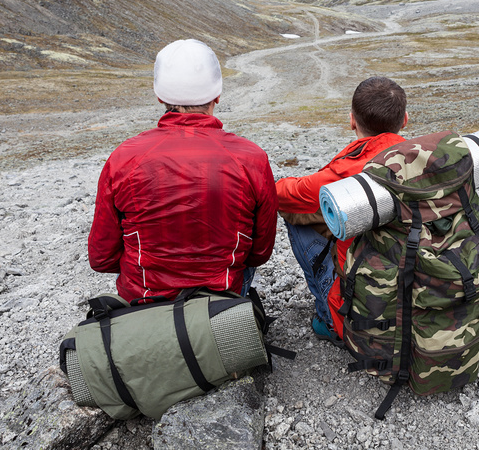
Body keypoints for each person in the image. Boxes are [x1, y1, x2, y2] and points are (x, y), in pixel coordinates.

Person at [88, 39, 278, 302]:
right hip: (222, 302)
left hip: (144, 303)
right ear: (217, 95)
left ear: (160, 97)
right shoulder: (251, 158)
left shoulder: (124, 158)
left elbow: (101, 257)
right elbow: (260, 252)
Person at [276, 77, 408, 344]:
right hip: (427, 296)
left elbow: (281, 194)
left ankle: (330, 318)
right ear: (404, 120)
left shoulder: (347, 173)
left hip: (368, 316)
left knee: (299, 214)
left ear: (352, 121)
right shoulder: (428, 160)